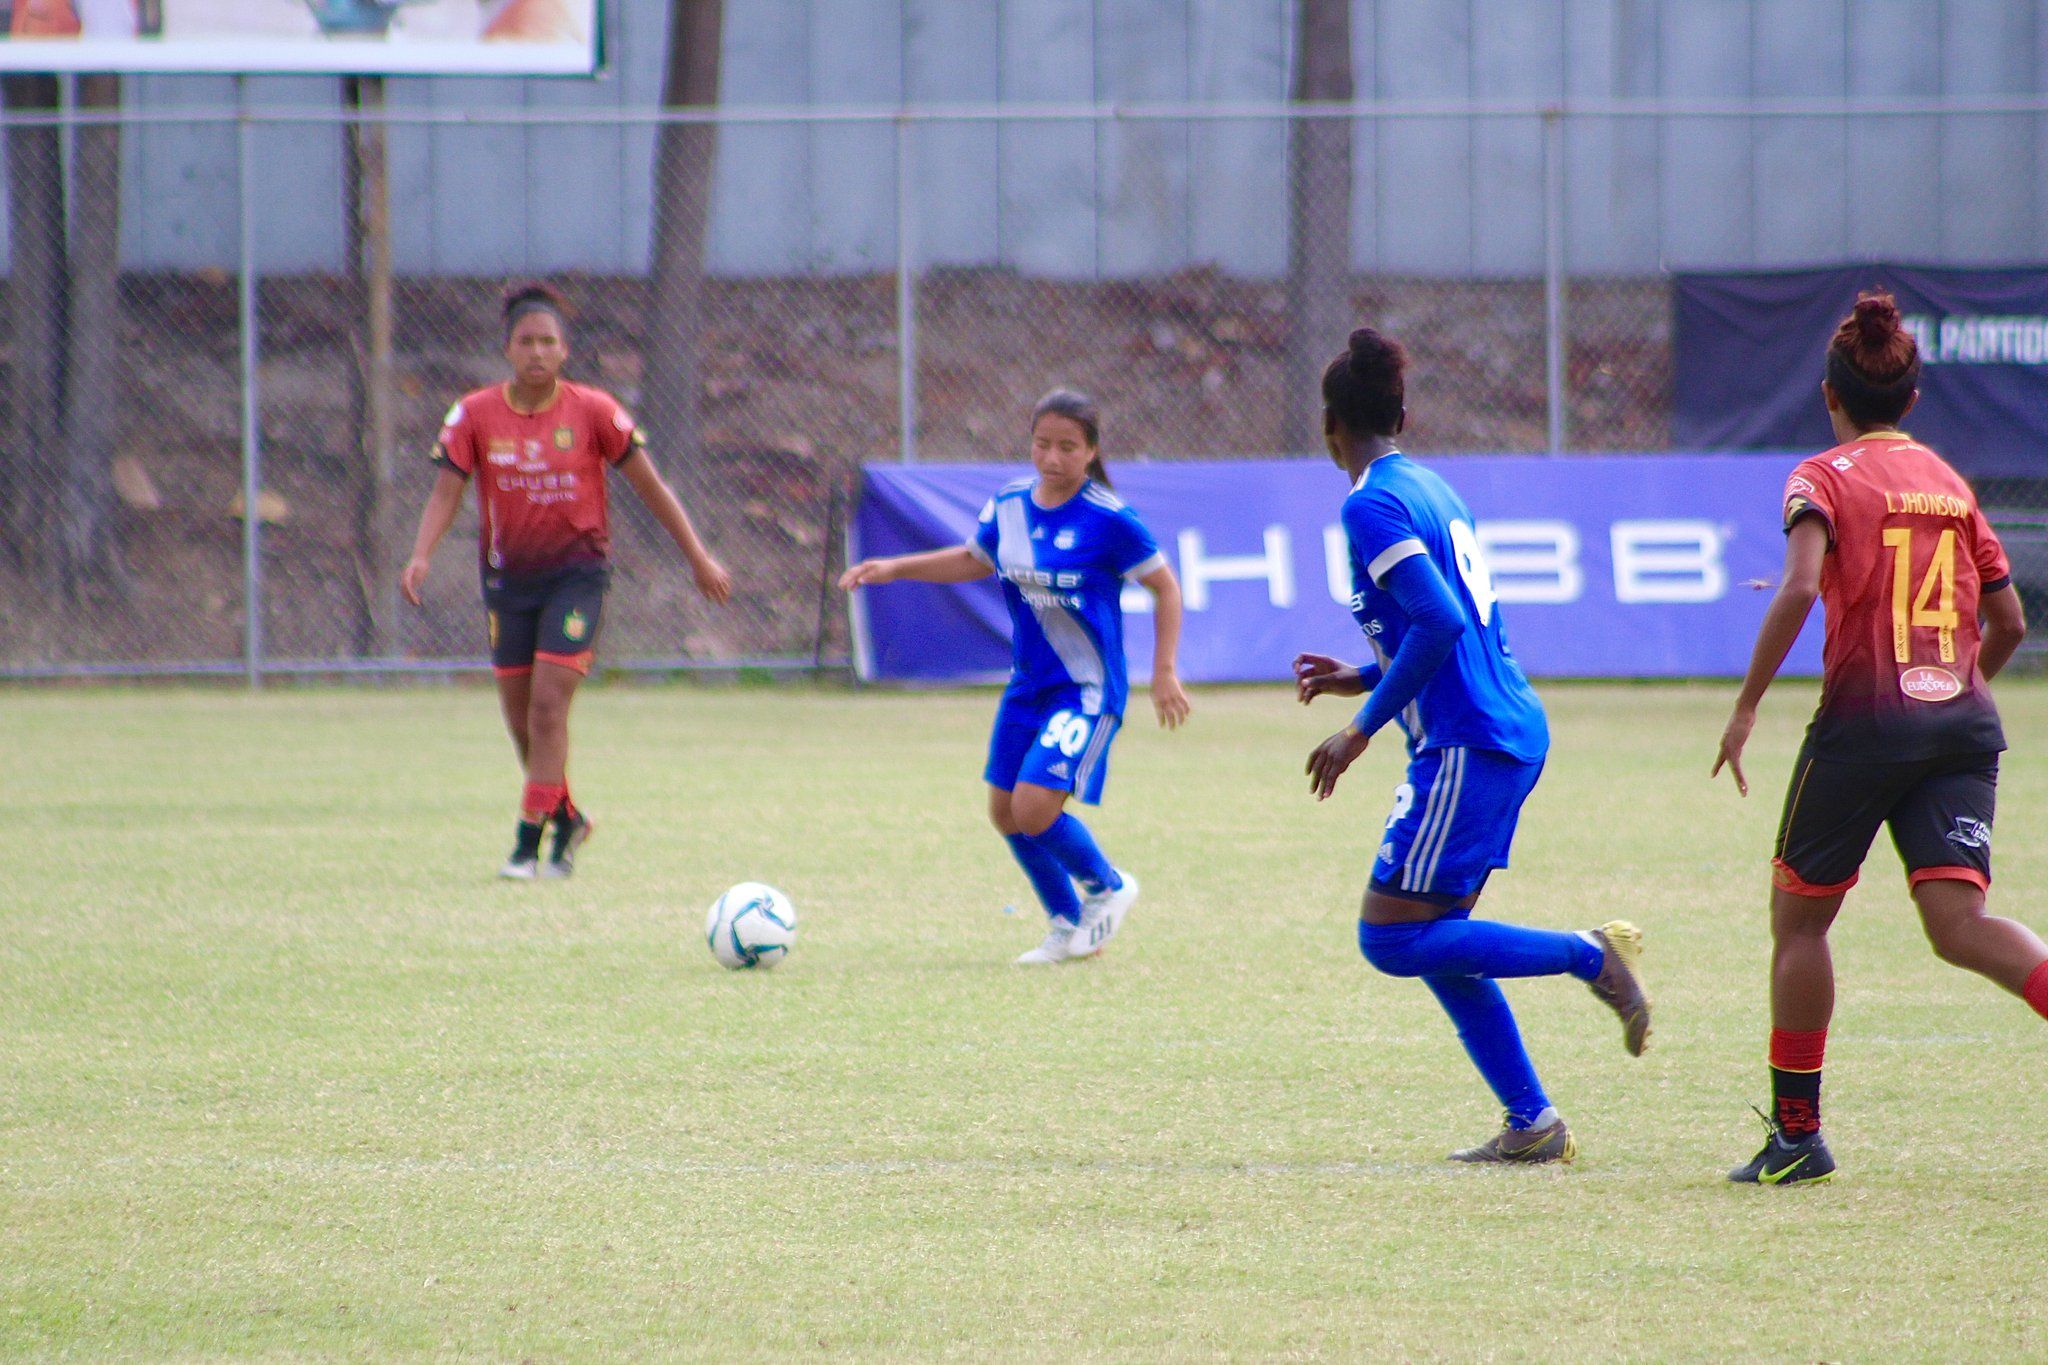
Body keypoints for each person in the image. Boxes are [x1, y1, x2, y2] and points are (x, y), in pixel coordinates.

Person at [1295, 326, 1651, 1164]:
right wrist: (1361, 674)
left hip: (1467, 741)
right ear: (1402, 414)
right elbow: (1437, 621)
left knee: (1390, 938)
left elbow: (1442, 619)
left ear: (1328, 428)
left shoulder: (1368, 502)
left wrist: (1358, 729)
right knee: (1439, 936)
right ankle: (1533, 1123)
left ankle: (1589, 955)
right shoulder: (1428, 485)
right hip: (1497, 728)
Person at [1713, 292, 2042, 1186]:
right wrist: (1954, 691)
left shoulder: (1819, 476)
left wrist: (1745, 706)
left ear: (1830, 395)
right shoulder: (1947, 481)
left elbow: (1796, 584)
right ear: (1913, 401)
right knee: (1960, 923)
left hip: (1864, 724)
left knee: (1801, 920)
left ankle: (1797, 1135)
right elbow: (2007, 619)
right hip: (1962, 724)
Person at [839, 389, 1190, 964]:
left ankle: (1108, 886)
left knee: (1033, 808)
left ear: (1091, 451)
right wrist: (895, 568)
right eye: (1042, 444)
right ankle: (1068, 926)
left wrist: (1165, 670)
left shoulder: (1110, 518)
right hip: (1027, 686)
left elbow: (1166, 586)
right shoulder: (1008, 505)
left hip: (1087, 691)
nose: (1052, 458)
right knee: (1003, 812)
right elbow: (975, 559)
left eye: (1067, 447)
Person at [401, 281, 732, 880]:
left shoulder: (595, 411)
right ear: (507, 348)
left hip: (577, 578)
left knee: (550, 707)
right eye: (526, 341)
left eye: (548, 341)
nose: (537, 352)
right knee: (524, 722)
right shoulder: (474, 415)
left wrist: (698, 556)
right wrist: (422, 554)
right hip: (507, 583)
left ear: (565, 350)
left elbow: (652, 487)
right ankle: (569, 819)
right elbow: (445, 493)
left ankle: (527, 847)